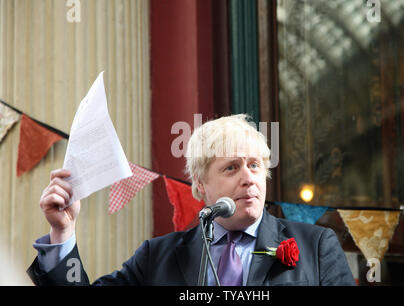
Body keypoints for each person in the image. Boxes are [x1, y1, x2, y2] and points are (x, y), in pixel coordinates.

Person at [27, 114, 355, 286]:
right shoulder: (157, 257)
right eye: (231, 167)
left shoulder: (316, 246)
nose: (248, 177)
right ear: (200, 185)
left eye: (255, 165)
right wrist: (63, 235)